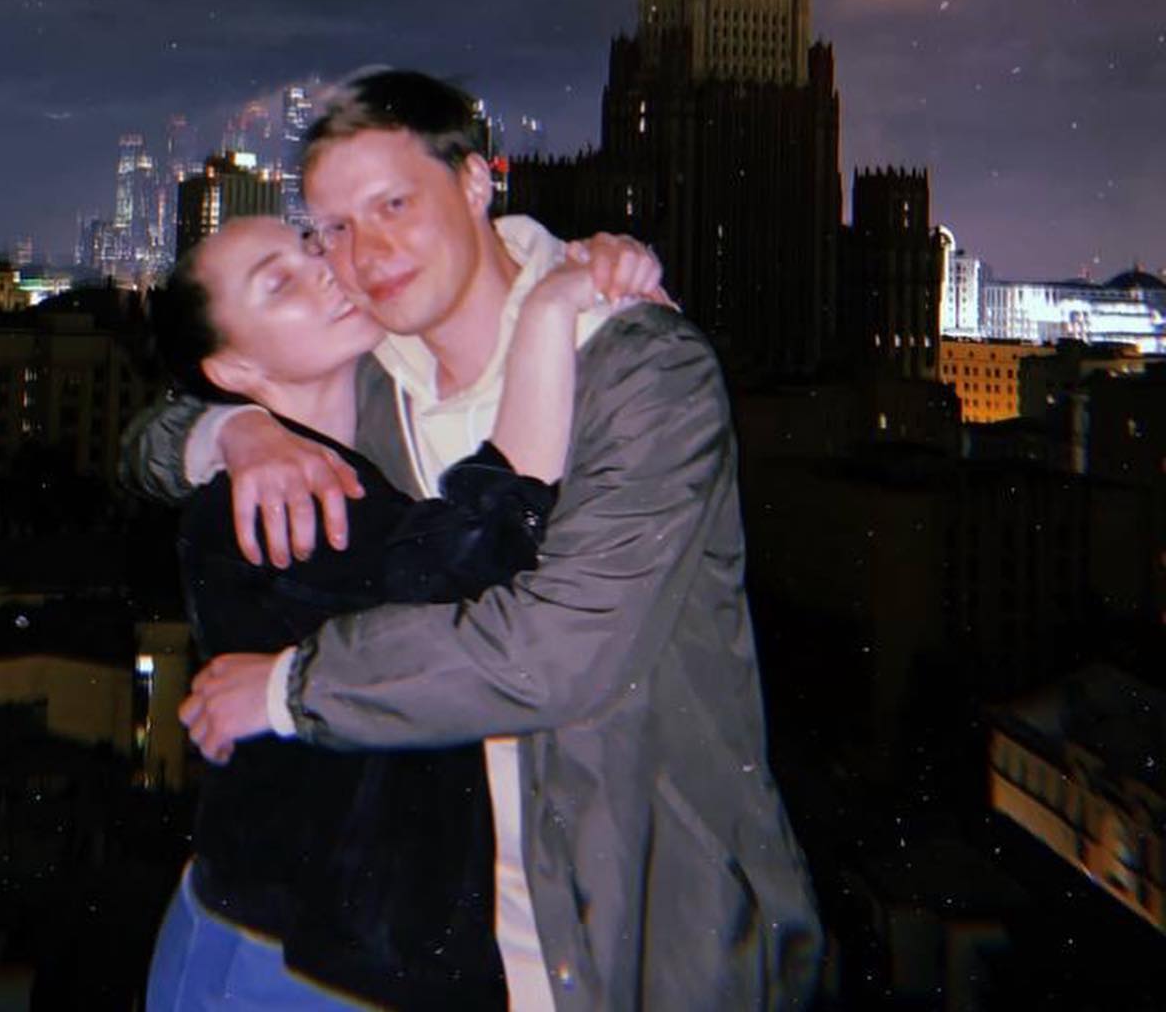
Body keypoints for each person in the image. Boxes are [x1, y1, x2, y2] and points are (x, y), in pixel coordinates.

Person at [126, 69, 822, 1012]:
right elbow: (155, 433)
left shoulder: (637, 368)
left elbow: (558, 651)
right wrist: (232, 430)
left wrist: (293, 689)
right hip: (420, 959)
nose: (361, 254)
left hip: (630, 945)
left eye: (393, 204)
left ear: (475, 182)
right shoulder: (367, 372)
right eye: (332, 229)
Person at [143, 212, 660, 1011]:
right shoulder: (264, 511)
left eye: (308, 246)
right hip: (281, 971)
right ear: (237, 364)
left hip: (338, 957)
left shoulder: (367, 431)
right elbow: (474, 559)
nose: (322, 268)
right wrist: (551, 308)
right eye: (279, 282)